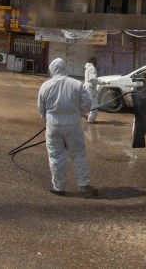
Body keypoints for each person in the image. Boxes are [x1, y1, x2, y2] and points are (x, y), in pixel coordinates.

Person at [37, 58, 99, 198]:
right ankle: (84, 185)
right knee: (78, 155)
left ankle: (58, 187)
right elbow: (88, 103)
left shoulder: (45, 86)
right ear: (65, 68)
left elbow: (41, 108)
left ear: (52, 69)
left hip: (53, 125)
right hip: (73, 125)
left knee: (55, 156)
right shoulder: (76, 84)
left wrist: (47, 120)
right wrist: (80, 114)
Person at [84, 57, 100, 124]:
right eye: (96, 61)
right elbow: (92, 79)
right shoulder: (92, 68)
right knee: (94, 105)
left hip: (87, 86)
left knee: (89, 102)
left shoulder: (88, 68)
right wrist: (101, 82)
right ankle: (91, 120)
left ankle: (87, 115)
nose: (97, 62)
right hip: (91, 88)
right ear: (92, 61)